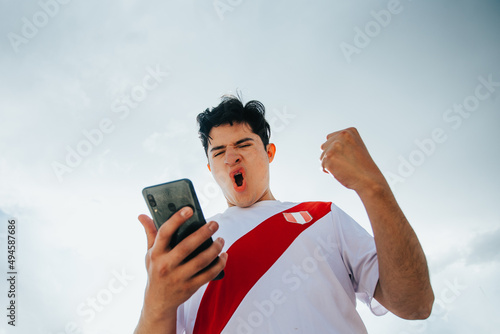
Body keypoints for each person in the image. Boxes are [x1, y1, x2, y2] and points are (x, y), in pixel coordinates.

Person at [134, 96, 434, 334]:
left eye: (243, 144)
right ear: (210, 169)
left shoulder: (322, 216)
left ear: (270, 152)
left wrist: (373, 187)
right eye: (218, 152)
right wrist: (156, 303)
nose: (231, 157)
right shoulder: (187, 254)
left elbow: (415, 304)